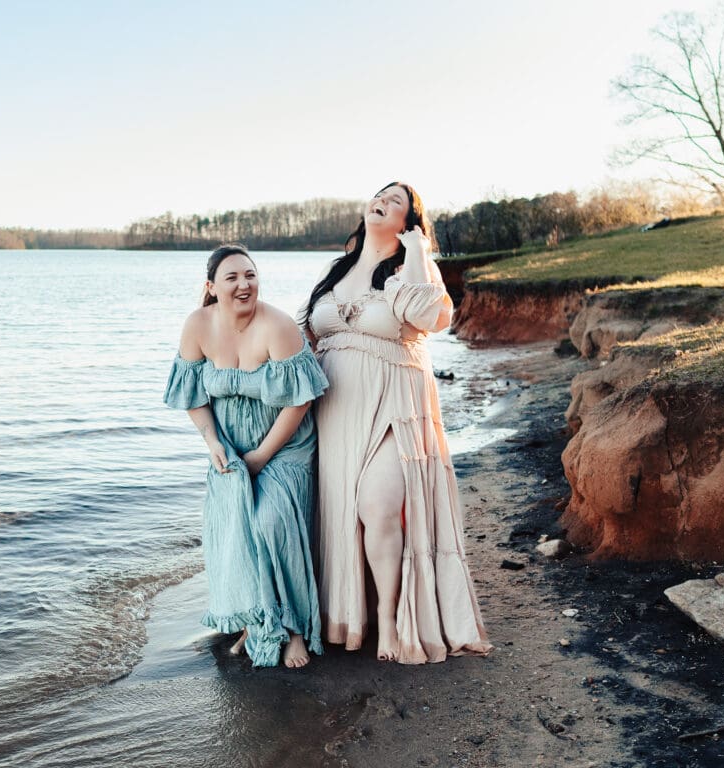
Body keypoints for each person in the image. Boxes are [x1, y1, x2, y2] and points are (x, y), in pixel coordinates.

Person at [301, 182, 492, 664]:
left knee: (379, 507)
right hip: (335, 413)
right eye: (379, 192)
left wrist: (416, 250)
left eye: (397, 199)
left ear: (408, 220)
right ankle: (350, 612)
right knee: (344, 510)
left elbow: (429, 315)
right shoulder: (336, 269)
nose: (381, 199)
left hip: (395, 405)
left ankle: (388, 616)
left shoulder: (412, 265)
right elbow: (304, 333)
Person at [164, 244, 326, 668]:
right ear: (211, 287)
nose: (244, 284)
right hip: (230, 445)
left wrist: (261, 456)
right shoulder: (197, 326)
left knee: (271, 522)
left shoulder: (279, 326)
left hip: (284, 444)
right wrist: (214, 443)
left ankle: (293, 629)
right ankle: (255, 620)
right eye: (232, 277)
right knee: (236, 529)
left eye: (250, 275)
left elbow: (299, 404)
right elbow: (191, 395)